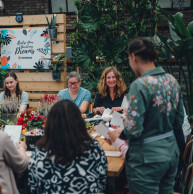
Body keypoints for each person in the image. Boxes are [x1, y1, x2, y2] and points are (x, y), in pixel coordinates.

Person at [120, 38, 184, 194]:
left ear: (133, 57)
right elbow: (179, 121)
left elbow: (134, 130)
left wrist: (125, 124)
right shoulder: (172, 81)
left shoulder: (139, 85)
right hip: (171, 153)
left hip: (146, 160)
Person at [28, 100, 107, 193]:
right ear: (80, 122)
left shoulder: (40, 152)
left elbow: (34, 188)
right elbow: (102, 184)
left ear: (50, 124)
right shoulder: (95, 149)